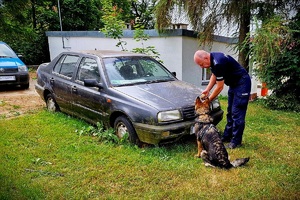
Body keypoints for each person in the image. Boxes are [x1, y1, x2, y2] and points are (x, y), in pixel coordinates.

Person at [194, 50, 251, 149]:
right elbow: (214, 75)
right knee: (230, 112)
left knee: (237, 113)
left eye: (201, 64)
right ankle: (227, 136)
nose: (201, 67)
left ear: (206, 58)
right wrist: (207, 90)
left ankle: (236, 141)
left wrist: (208, 101)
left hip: (242, 83)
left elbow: (220, 87)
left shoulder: (218, 62)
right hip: (234, 85)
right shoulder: (213, 60)